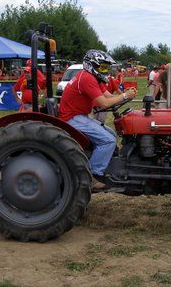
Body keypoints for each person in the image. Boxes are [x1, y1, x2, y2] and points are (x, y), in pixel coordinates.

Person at [58, 50, 137, 191]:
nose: (105, 70)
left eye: (107, 67)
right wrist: (125, 95)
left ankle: (109, 165)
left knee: (112, 134)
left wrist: (125, 96)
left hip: (80, 115)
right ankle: (93, 176)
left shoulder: (94, 77)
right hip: (71, 118)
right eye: (103, 67)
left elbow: (107, 96)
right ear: (92, 65)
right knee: (108, 140)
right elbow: (104, 103)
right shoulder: (87, 78)